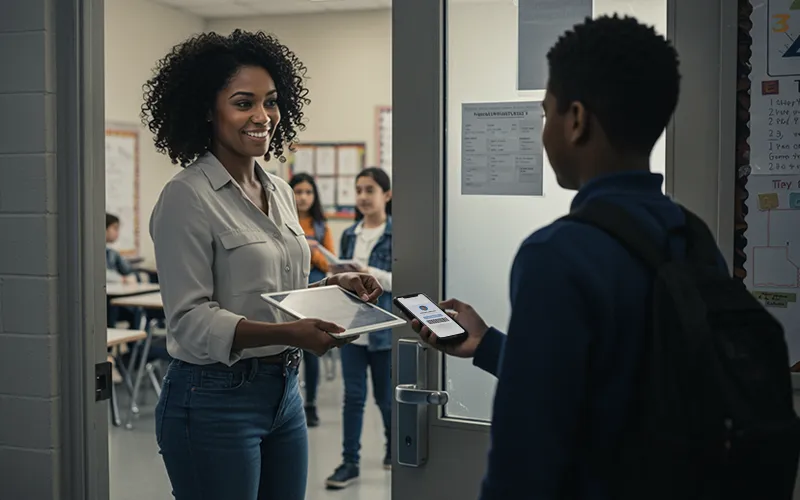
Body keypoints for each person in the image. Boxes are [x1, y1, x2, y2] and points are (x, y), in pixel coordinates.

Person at [412, 15, 720, 500]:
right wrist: (488, 344)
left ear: (575, 120)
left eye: (545, 112)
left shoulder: (557, 254)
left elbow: (526, 450)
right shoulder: (693, 236)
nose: (544, 129)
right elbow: (623, 380)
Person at [142, 30, 382, 500]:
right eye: (243, 102)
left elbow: (277, 287)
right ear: (209, 111)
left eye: (270, 102)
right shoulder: (186, 197)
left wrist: (334, 283)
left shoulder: (280, 190)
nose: (262, 116)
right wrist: (289, 334)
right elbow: (190, 322)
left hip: (283, 392)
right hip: (212, 398)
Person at [326, 167, 393, 489]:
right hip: (351, 328)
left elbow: (406, 277)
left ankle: (394, 449)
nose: (363, 197)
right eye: (359, 190)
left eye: (370, 190)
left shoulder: (397, 233)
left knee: (385, 397)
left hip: (382, 329)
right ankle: (349, 462)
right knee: (353, 397)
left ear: (387, 195)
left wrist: (371, 272)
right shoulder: (350, 233)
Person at [289, 172, 335, 427]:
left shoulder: (320, 225)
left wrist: (312, 251)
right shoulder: (282, 219)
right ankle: (290, 399)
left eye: (308, 192)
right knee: (288, 343)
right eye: (298, 192)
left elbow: (329, 261)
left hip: (314, 288)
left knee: (311, 349)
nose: (303, 197)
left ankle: (311, 403)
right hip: (291, 286)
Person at [105, 213, 141, 329]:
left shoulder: (112, 253)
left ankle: (135, 346)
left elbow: (129, 271)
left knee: (136, 310)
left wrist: (130, 276)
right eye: (114, 228)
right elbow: (100, 274)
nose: (117, 233)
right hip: (104, 300)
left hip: (115, 297)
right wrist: (122, 279)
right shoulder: (92, 251)